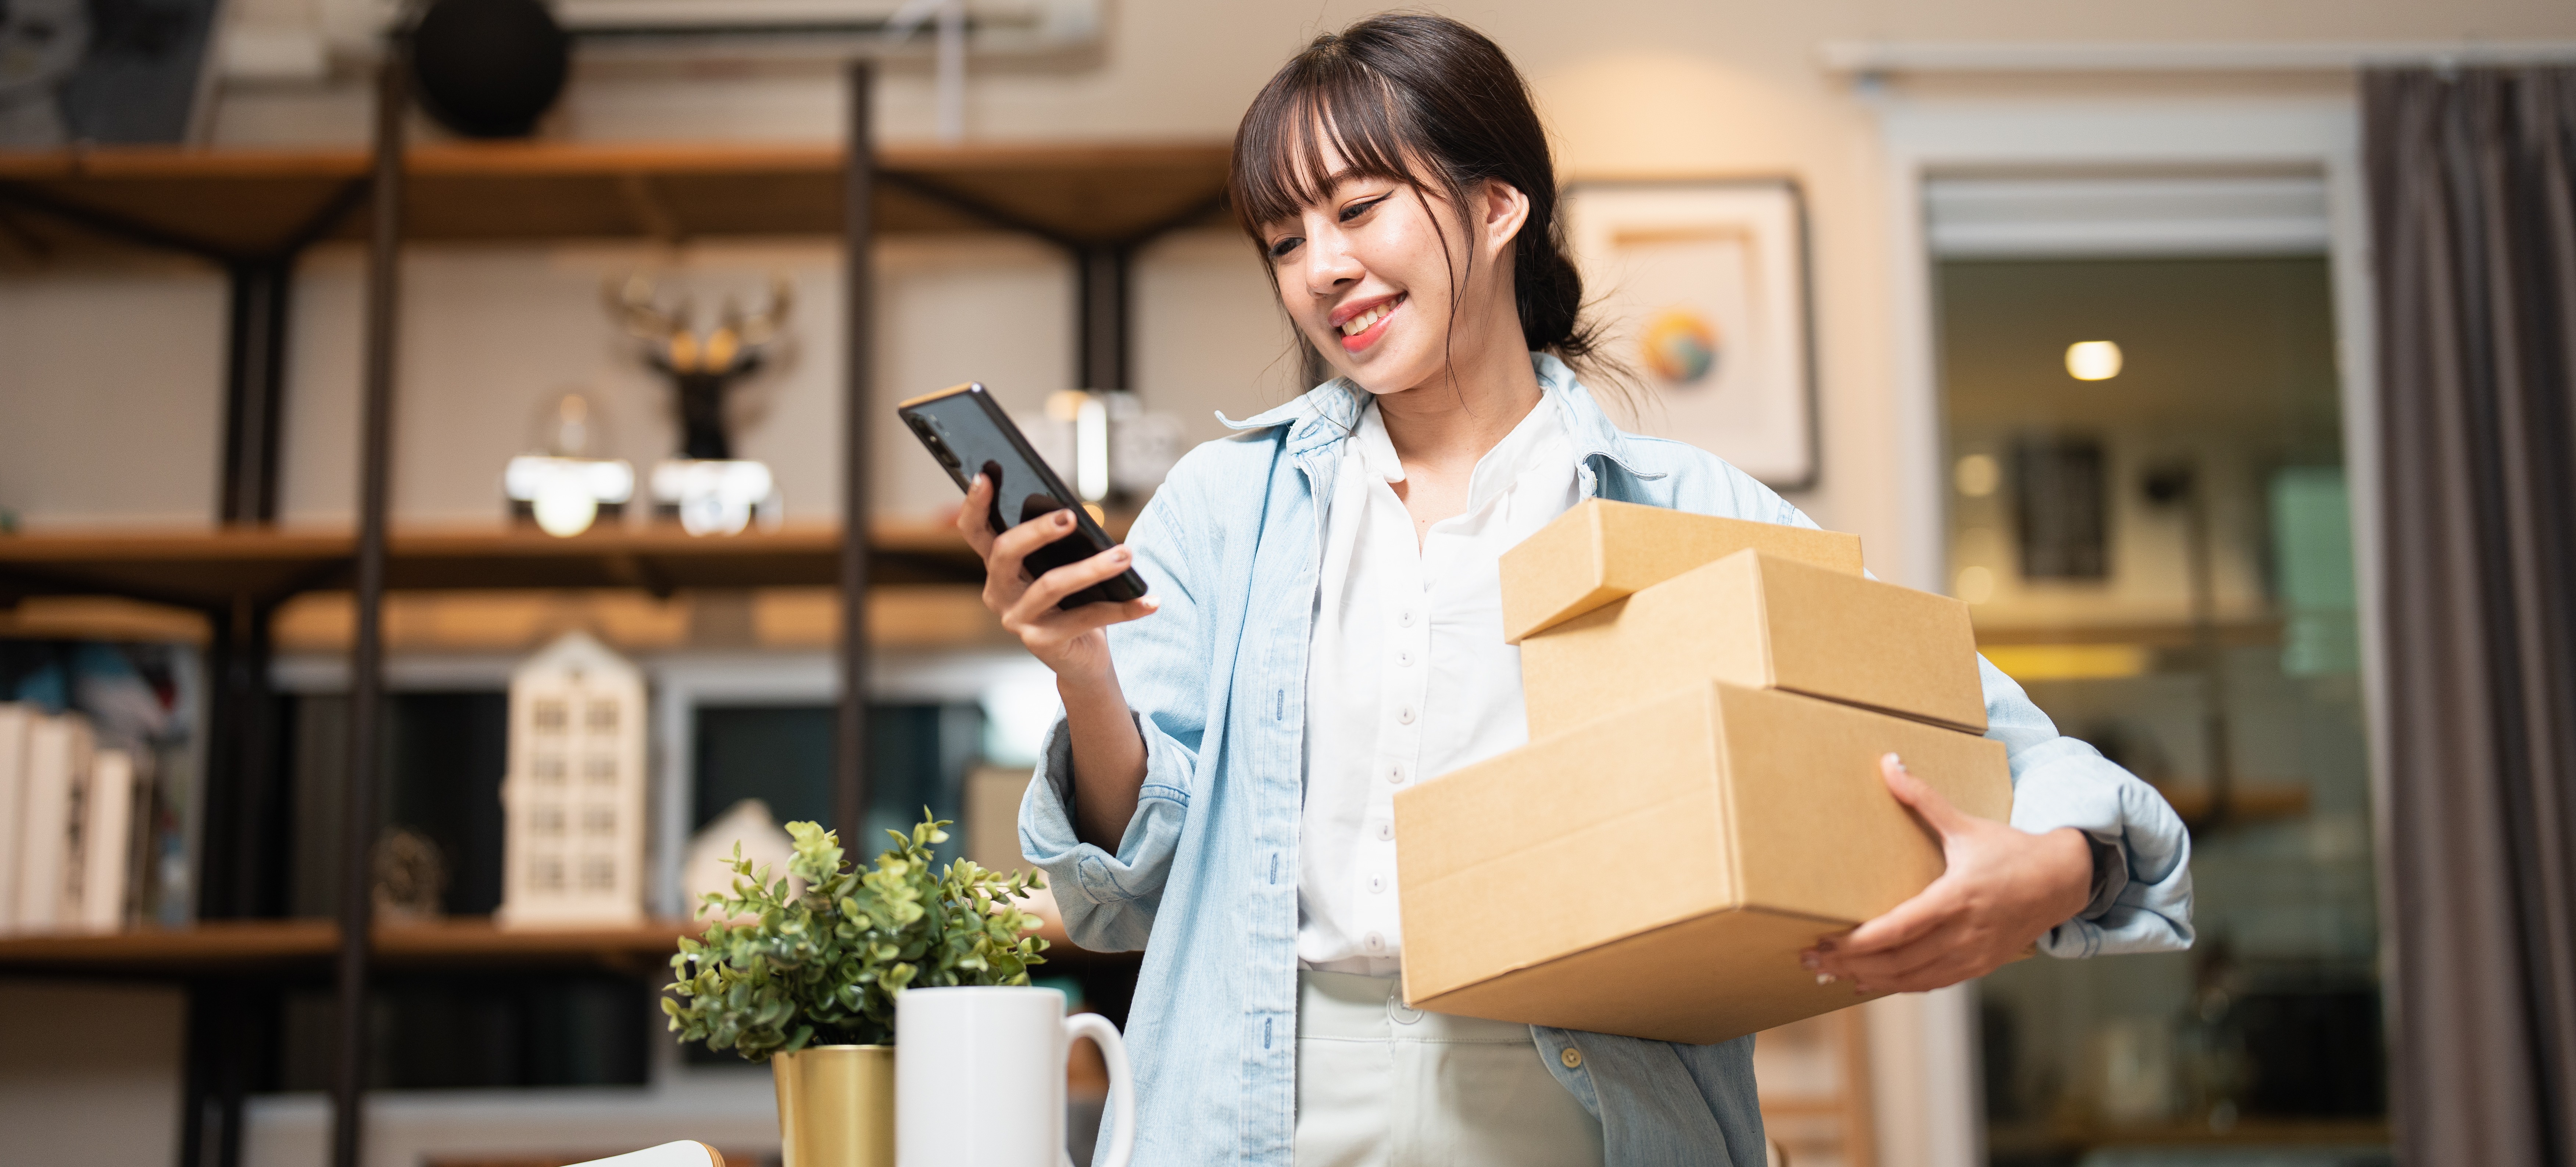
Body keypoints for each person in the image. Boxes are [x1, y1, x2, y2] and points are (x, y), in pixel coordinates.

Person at [964, 14, 2193, 1166]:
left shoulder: (1689, 509)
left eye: (1359, 210)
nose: (1322, 270)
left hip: (1592, 1105)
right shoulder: (1222, 508)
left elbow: (2004, 742)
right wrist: (1082, 670)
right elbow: (1122, 891)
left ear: (1498, 205)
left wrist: (2061, 869)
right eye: (1285, 242)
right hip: (1260, 1101)